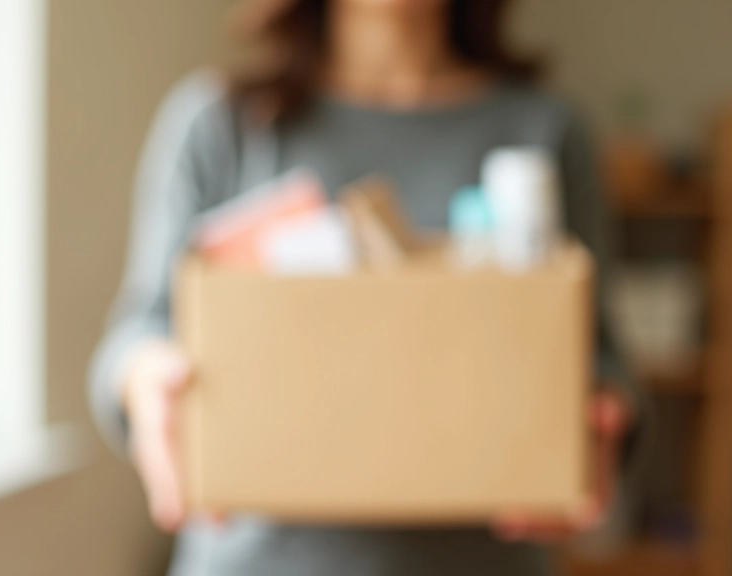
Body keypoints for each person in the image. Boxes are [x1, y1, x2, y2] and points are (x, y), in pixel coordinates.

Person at [91, 0, 641, 574]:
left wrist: (599, 425)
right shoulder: (222, 122)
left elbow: (600, 356)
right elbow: (142, 329)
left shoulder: (545, 128)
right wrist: (144, 378)